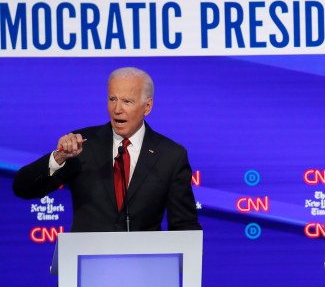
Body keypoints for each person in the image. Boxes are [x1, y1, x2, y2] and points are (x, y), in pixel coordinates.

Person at [13, 66, 202, 232]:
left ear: (147, 106)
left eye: (127, 101)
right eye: (112, 99)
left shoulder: (170, 156)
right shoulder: (81, 146)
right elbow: (23, 188)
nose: (117, 109)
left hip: (146, 268)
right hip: (87, 266)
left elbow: (185, 226)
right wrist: (58, 158)